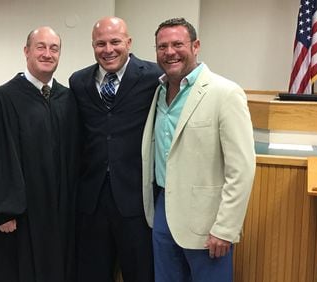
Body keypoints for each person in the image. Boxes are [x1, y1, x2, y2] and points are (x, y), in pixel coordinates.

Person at [0, 26, 80, 282]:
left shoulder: (67, 100)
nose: (47, 53)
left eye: (53, 48)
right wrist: (1, 212)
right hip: (16, 220)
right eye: (40, 47)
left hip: (57, 217)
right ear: (26, 51)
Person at [141, 17, 256, 282]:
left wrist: (225, 228)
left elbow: (242, 169)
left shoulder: (225, 93)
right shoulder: (157, 92)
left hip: (207, 225)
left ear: (196, 46)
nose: (170, 52)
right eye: (162, 46)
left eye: (177, 44)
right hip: (162, 212)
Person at [69, 16, 162, 282]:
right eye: (100, 43)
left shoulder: (155, 77)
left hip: (135, 200)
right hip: (91, 201)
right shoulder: (78, 82)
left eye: (115, 42)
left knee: (140, 273)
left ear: (129, 42)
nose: (108, 49)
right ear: (93, 46)